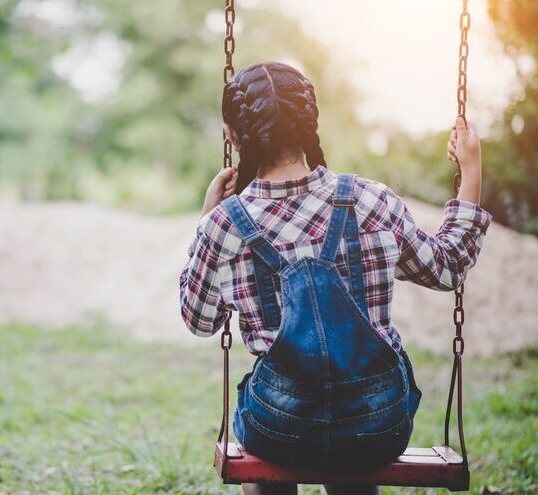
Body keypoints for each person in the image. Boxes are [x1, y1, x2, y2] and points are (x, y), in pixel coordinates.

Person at [179, 62, 492, 495]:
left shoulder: (225, 225)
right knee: (351, 448)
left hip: (279, 426)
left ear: (232, 135)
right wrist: (471, 171)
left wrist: (206, 219)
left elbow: (198, 320)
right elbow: (448, 265)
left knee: (271, 449)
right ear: (311, 124)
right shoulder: (371, 200)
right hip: (377, 423)